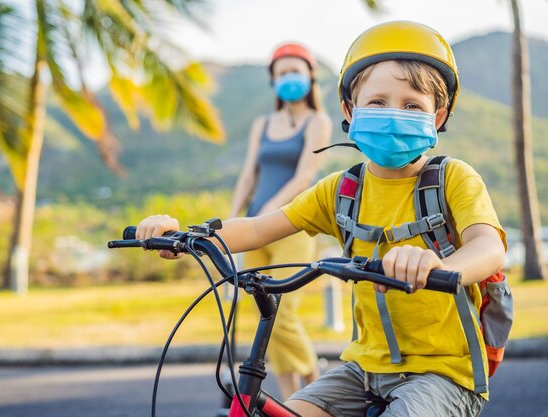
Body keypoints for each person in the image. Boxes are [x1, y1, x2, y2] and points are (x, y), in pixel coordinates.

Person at [137, 21, 507, 417]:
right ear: (351, 110)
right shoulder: (341, 190)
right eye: (377, 102)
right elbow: (260, 227)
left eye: (412, 105)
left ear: (437, 117)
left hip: (444, 373)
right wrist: (184, 234)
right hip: (362, 368)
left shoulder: (453, 179)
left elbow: (488, 247)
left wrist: (438, 264)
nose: (392, 114)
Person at [229, 42, 332, 400]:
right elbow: (248, 176)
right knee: (264, 317)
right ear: (273, 80)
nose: (289, 77)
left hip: (291, 224)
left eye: (295, 70)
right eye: (282, 72)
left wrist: (267, 214)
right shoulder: (262, 123)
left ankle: (317, 391)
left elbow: (304, 176)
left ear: (310, 76)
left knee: (285, 315)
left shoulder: (318, 122)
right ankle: (291, 404)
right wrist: (231, 221)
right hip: (255, 226)